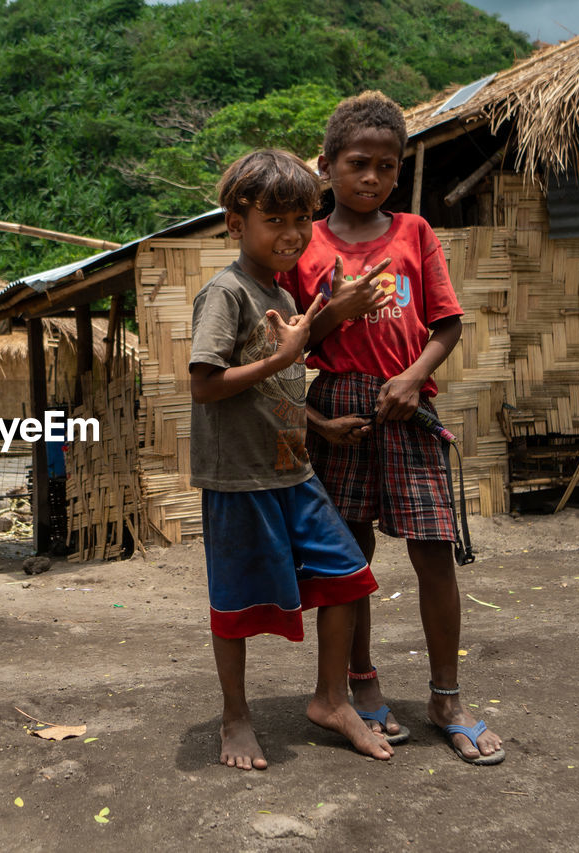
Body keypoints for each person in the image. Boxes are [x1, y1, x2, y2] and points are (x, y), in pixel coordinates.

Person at [277, 91, 506, 765]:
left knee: (434, 550)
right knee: (349, 560)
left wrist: (413, 376)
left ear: (398, 171)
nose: (371, 177)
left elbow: (448, 323)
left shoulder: (415, 234)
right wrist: (315, 415)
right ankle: (360, 684)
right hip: (340, 410)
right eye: (357, 163)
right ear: (326, 167)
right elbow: (282, 345)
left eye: (385, 165)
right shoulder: (306, 246)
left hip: (408, 404)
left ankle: (446, 696)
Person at [190, 148, 394, 771]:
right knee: (235, 604)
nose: (292, 234)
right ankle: (236, 718)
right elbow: (206, 382)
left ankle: (332, 699)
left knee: (347, 575)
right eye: (274, 220)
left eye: (302, 219)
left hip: (293, 469)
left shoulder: (280, 289)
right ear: (235, 223)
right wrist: (285, 357)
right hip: (238, 478)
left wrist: (317, 420)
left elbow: (277, 389)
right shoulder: (225, 293)